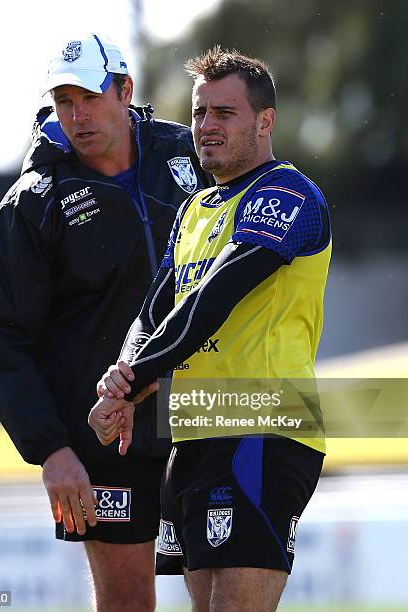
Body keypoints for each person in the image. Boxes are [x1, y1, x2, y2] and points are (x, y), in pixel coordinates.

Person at [0, 33, 211, 612]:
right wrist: (51, 451)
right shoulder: (33, 202)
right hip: (104, 438)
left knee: (228, 599)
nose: (77, 116)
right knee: (127, 604)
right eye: (63, 102)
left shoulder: (191, 156)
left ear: (125, 91)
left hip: (205, 415)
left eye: (89, 97)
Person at [89, 46, 332, 612]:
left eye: (225, 113)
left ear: (265, 121)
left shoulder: (288, 194)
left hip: (263, 431)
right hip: (194, 435)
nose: (206, 126)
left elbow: (212, 299)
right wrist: (120, 379)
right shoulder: (193, 209)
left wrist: (130, 384)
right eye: (200, 113)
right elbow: (152, 312)